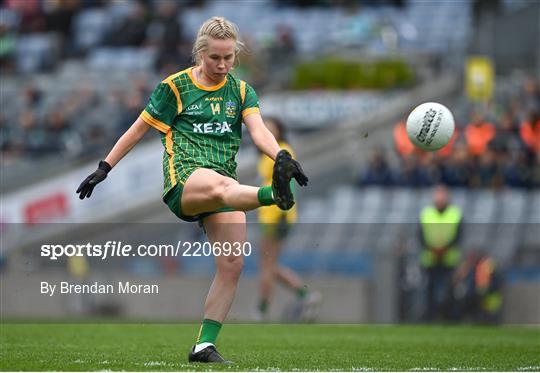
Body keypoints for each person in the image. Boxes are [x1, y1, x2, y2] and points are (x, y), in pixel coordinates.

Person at [76, 17, 308, 364]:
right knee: (222, 185)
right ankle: (273, 195)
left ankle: (204, 345)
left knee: (233, 263)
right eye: (215, 57)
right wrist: (104, 167)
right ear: (200, 52)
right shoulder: (174, 88)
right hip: (184, 181)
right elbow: (137, 130)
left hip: (223, 188)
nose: (223, 64)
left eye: (229, 57)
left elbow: (259, 132)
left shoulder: (241, 91)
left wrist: (281, 155)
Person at [256, 117, 320, 321]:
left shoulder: (282, 149)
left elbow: (287, 181)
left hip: (277, 214)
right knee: (269, 265)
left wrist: (284, 210)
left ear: (279, 129)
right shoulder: (269, 150)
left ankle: (263, 310)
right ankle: (303, 295)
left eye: (270, 126)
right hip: (268, 214)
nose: (266, 129)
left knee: (267, 265)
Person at [418, 184, 463, 321]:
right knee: (429, 291)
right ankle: (430, 318)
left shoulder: (455, 213)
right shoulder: (426, 213)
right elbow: (420, 236)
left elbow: (458, 236)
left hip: (449, 259)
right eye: (437, 195)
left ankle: (450, 319)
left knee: (450, 290)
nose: (440, 198)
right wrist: (432, 248)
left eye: (442, 195)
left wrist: (444, 248)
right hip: (430, 258)